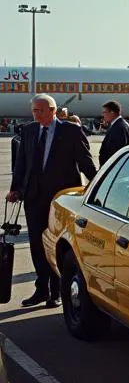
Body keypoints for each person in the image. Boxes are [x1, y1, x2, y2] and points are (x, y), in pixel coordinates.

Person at [5, 94, 97, 307]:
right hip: (34, 197)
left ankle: (56, 291)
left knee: (56, 244)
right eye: (34, 110)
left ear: (53, 111)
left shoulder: (71, 131)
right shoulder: (28, 131)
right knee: (36, 244)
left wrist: (98, 185)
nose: (36, 114)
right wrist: (16, 189)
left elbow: (85, 161)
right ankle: (41, 289)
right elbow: (22, 163)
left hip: (61, 199)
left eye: (40, 110)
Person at [99, 100, 129, 164]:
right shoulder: (117, 124)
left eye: (104, 112)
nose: (103, 114)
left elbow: (115, 151)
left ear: (112, 112)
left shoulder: (119, 127)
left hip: (114, 166)